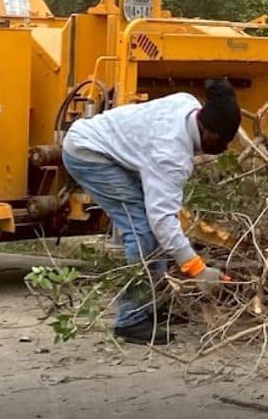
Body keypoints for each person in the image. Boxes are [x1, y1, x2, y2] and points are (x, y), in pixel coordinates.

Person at [60, 78, 242, 346]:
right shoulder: (171, 154)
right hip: (88, 153)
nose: (221, 150)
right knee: (142, 231)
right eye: (223, 143)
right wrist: (198, 269)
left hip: (109, 150)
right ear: (210, 134)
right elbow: (162, 221)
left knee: (150, 228)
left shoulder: (188, 104)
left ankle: (152, 306)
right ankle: (131, 320)